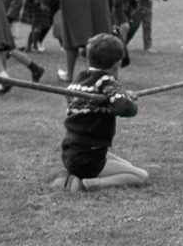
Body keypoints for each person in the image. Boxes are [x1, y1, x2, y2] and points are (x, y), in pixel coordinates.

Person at [52, 33, 148, 193]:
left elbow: (99, 101)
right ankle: (88, 184)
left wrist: (121, 95)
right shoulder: (107, 82)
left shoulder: (80, 79)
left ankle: (72, 173)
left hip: (72, 151)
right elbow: (126, 109)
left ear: (89, 59)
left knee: (129, 167)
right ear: (118, 65)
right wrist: (126, 99)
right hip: (89, 158)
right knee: (141, 176)